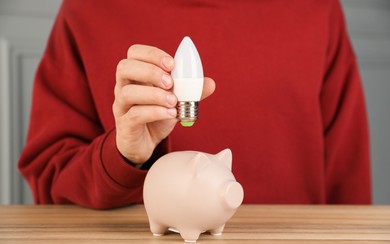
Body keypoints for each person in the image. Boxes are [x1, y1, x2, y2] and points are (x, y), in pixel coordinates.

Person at [18, 0, 372, 209]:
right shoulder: (88, 10)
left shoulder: (316, 9)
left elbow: (349, 183)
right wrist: (124, 157)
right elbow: (51, 182)